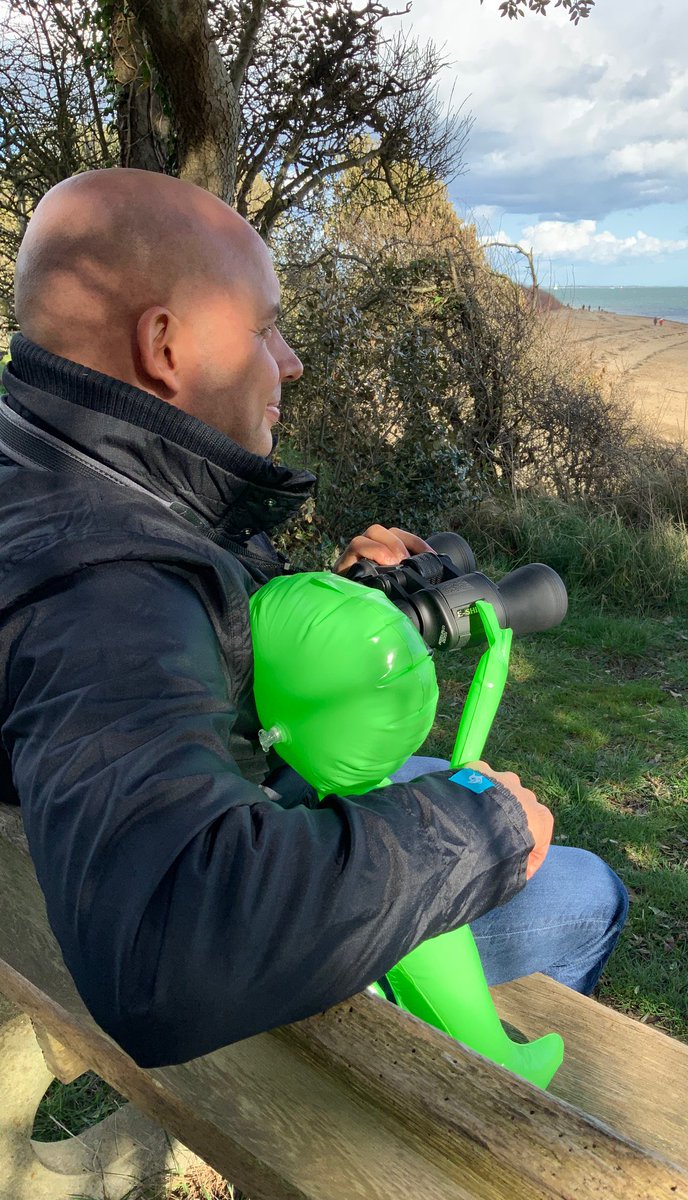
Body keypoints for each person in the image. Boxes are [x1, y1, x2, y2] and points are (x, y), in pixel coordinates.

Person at [0, 170, 627, 1070]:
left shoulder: (50, 474)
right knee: (586, 894)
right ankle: (486, 1120)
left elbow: (147, 686)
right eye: (263, 329)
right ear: (164, 346)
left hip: (86, 873)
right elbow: (171, 945)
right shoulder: (108, 588)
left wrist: (320, 605)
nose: (290, 360)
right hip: (216, 997)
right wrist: (479, 834)